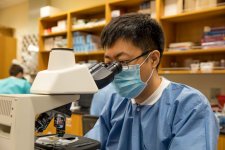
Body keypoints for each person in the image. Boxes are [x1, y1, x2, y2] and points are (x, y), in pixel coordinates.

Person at [86, 13, 219, 150]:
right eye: (109, 64)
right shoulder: (116, 101)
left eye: (122, 62)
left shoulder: (190, 106)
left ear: (153, 59)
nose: (115, 72)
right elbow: (91, 144)